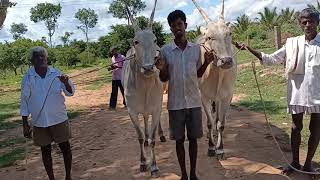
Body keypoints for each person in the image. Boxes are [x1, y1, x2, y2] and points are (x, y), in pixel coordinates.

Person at [235, 8, 320, 174]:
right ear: (300, 23)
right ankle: (295, 162)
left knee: (316, 129)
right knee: (296, 127)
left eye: (311, 21)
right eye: (304, 21)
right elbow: (271, 58)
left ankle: (308, 163)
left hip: (318, 94)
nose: (307, 24)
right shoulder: (292, 43)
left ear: (318, 22)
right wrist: (250, 49)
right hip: (297, 93)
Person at [156, 10, 215, 180]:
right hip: (175, 104)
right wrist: (162, 69)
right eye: (173, 26)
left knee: (194, 140)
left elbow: (197, 73)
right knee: (179, 141)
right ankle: (183, 174)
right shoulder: (166, 51)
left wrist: (207, 63)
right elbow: (163, 78)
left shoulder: (196, 50)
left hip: (194, 102)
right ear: (171, 29)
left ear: (185, 26)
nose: (177, 28)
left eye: (180, 24)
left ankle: (193, 173)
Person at [21, 46, 75, 180]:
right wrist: (25, 124)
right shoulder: (27, 77)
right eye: (37, 56)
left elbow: (70, 92)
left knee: (65, 148)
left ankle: (68, 176)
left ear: (46, 58)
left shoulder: (57, 74)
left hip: (58, 118)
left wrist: (66, 82)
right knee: (45, 151)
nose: (40, 58)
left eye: (42, 56)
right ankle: (51, 178)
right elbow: (24, 101)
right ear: (32, 60)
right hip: (39, 121)